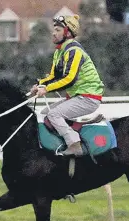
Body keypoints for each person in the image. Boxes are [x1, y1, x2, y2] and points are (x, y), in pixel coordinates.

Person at [30, 14, 105, 156]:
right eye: (54, 29)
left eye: (58, 30)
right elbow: (53, 77)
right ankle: (60, 144)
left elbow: (69, 79)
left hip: (88, 98)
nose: (53, 33)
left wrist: (45, 89)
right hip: (77, 97)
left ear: (68, 33)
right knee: (44, 114)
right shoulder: (59, 52)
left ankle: (74, 144)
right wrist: (39, 84)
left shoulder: (74, 51)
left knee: (53, 114)